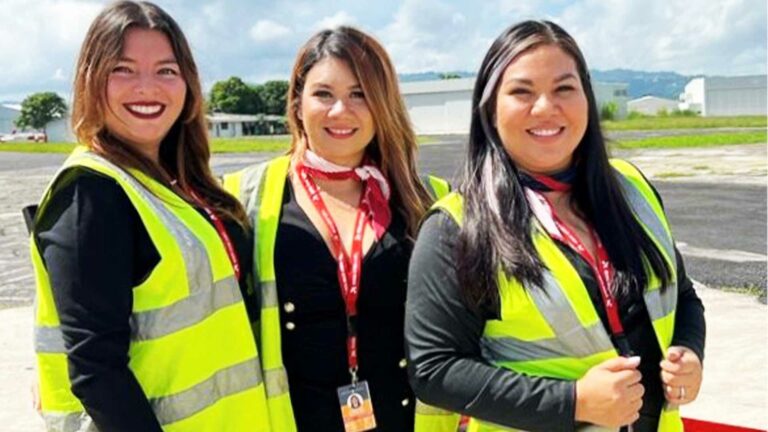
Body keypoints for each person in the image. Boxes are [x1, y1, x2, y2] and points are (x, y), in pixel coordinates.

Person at [405, 20, 705, 432]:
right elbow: (435, 369)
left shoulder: (632, 190)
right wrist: (574, 402)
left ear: (586, 97)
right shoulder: (456, 227)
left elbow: (683, 296)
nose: (546, 107)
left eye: (565, 88)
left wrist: (690, 352)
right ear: (491, 108)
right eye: (522, 92)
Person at [30, 2, 269, 431]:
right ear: (91, 78)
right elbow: (97, 371)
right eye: (123, 69)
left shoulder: (175, 184)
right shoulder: (91, 193)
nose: (147, 87)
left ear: (188, 84)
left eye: (166, 70)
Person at [222, 26, 453, 432]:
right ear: (296, 104)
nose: (340, 111)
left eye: (359, 94)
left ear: (383, 104)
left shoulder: (428, 199)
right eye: (323, 94)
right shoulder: (244, 197)